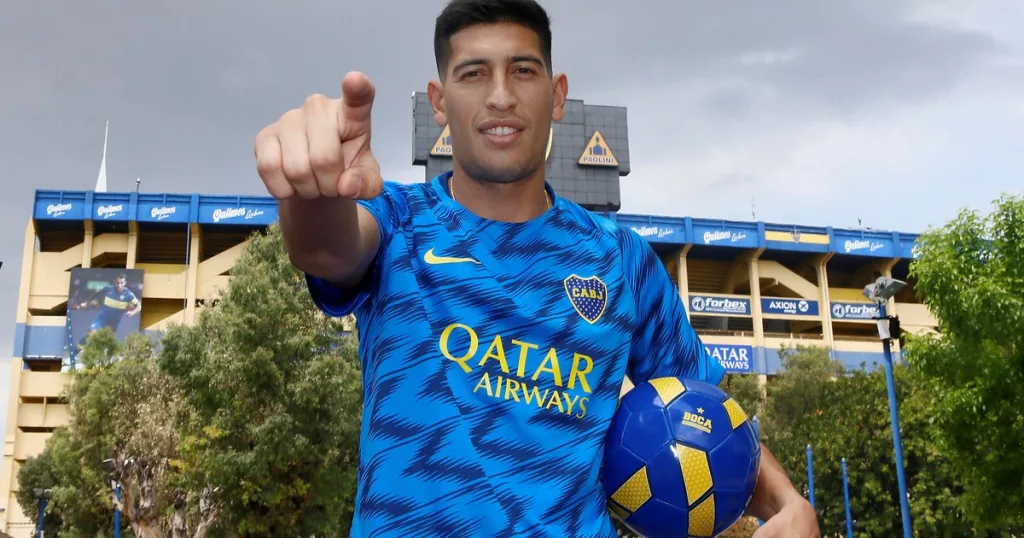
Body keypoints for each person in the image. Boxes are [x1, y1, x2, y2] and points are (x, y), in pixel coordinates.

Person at [253, 0, 819, 536]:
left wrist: (789, 502)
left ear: (556, 95)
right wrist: (313, 188)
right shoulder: (400, 220)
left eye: (523, 71)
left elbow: (708, 414)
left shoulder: (620, 258)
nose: (501, 96)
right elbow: (326, 250)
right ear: (440, 102)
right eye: (474, 74)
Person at [75, 273, 140, 348]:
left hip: (112, 325)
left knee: (102, 343)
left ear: (125, 283)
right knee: (91, 333)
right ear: (114, 281)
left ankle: (94, 352)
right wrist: (87, 303)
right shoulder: (108, 289)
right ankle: (76, 350)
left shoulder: (129, 295)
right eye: (118, 283)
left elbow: (139, 306)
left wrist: (133, 312)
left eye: (122, 283)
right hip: (101, 319)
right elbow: (97, 293)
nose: (119, 285)